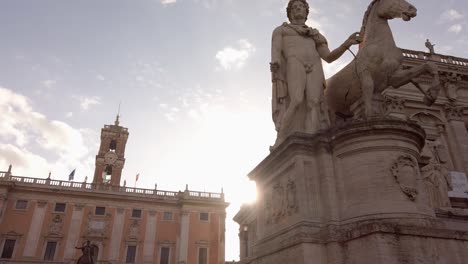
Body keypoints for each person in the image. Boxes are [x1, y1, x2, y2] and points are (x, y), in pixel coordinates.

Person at [271, 0, 361, 147]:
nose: (298, 9)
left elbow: (329, 57)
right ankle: (281, 138)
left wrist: (347, 44)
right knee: (296, 100)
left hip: (315, 66)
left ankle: (311, 138)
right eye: (294, 7)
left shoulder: (315, 35)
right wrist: (275, 63)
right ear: (289, 12)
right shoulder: (282, 30)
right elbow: (276, 50)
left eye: (301, 7)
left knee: (314, 103)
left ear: (306, 12)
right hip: (294, 62)